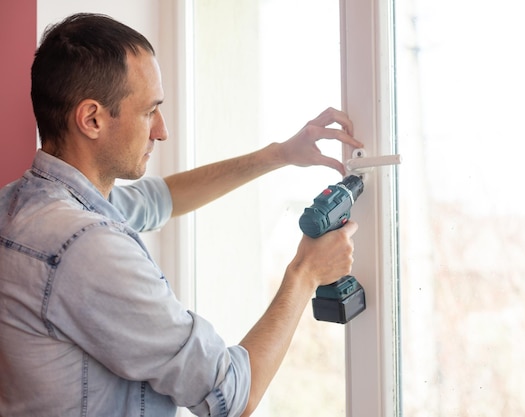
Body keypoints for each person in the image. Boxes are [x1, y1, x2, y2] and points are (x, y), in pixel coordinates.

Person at [0, 13, 361, 417]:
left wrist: (279, 154)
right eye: (149, 111)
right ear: (92, 119)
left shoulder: (23, 205)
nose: (161, 130)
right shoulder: (86, 248)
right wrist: (305, 273)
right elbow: (232, 395)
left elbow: (161, 198)